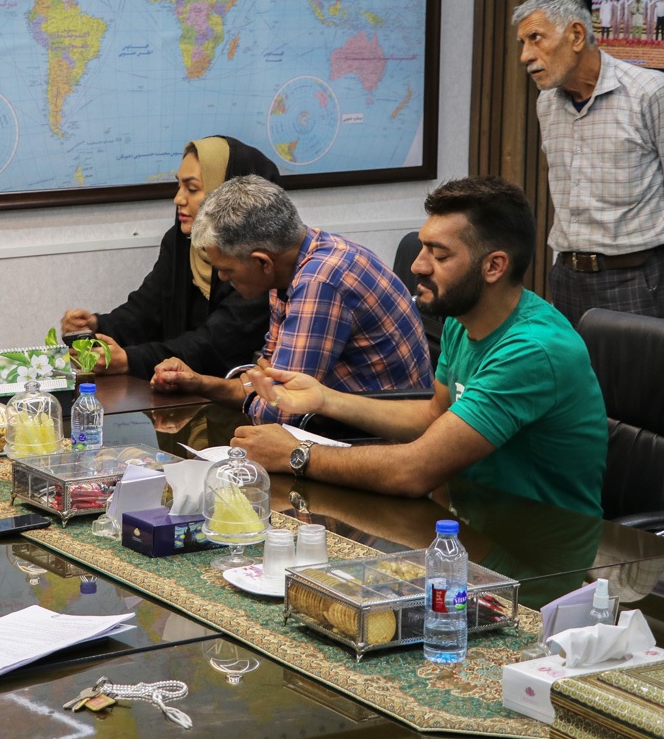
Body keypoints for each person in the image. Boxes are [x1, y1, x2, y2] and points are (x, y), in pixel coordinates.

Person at [231, 177, 608, 518]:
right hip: (468, 526)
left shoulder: (531, 350)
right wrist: (325, 399)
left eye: (439, 255)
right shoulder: (463, 320)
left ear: (494, 267)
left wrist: (295, 455)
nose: (417, 265)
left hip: (542, 550)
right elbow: (434, 415)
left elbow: (414, 471)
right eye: (423, 247)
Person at [150, 175, 432, 426]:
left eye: (227, 269)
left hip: (379, 439)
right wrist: (199, 383)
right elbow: (269, 383)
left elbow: (280, 411)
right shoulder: (292, 262)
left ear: (262, 262)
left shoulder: (319, 282)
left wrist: (266, 388)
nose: (222, 277)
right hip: (335, 424)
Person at [513, 0, 664, 326]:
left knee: (644, 364)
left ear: (577, 35)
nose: (525, 56)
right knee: (571, 363)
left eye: (535, 39)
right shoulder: (547, 103)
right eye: (522, 43)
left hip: (639, 278)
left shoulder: (650, 91)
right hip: (567, 276)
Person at [60, 136, 275, 379]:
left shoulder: (256, 258)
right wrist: (95, 326)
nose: (178, 199)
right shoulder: (182, 241)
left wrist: (131, 360)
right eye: (179, 186)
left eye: (192, 189)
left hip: (231, 391)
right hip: (176, 386)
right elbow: (146, 310)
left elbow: (214, 344)